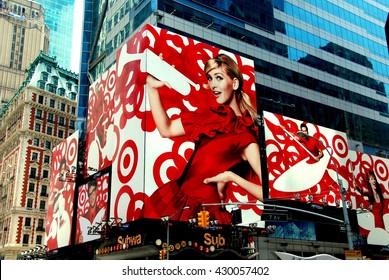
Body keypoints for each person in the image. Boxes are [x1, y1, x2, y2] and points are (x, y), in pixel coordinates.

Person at [145, 53, 263, 224]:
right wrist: (152, 89)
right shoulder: (210, 116)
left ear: (234, 83)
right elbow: (167, 129)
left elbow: (267, 195)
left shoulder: (245, 135)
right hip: (176, 199)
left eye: (219, 78)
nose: (213, 85)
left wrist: (232, 177)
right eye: (210, 78)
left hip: (206, 215)